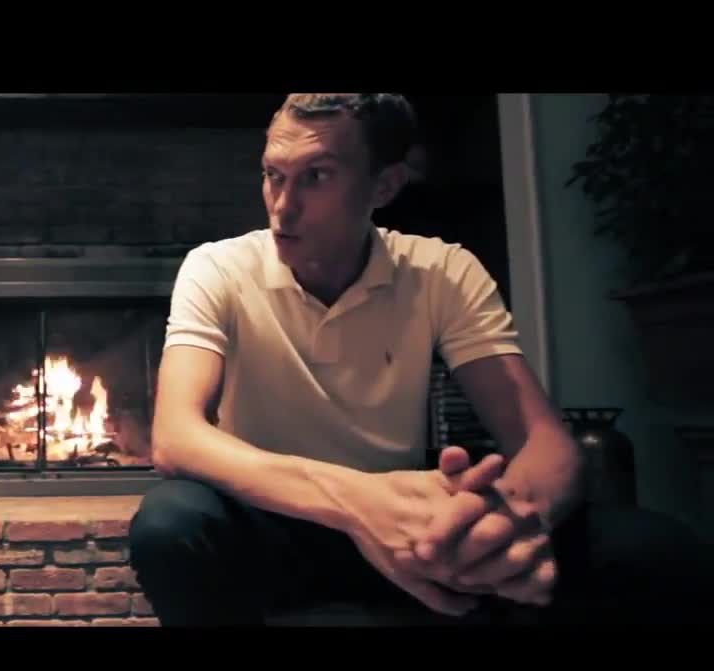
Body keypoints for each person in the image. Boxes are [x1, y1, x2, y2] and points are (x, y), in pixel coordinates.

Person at [129, 93, 714, 626]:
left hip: (416, 525)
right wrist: (358, 502)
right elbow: (177, 437)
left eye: (316, 177)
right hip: (275, 525)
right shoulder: (219, 267)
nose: (282, 207)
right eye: (272, 176)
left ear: (384, 186)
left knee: (655, 550)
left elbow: (546, 444)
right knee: (170, 522)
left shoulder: (442, 271)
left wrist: (499, 530)